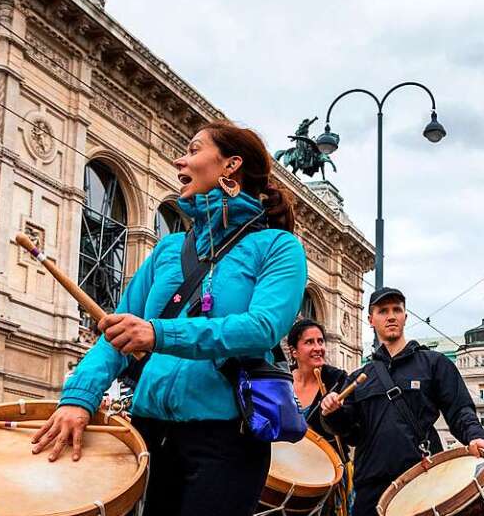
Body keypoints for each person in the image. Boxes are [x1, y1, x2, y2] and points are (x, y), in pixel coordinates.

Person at [32, 121, 308, 516]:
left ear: (231, 165)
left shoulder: (279, 247)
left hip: (226, 439)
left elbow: (261, 328)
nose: (180, 159)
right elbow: (117, 333)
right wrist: (78, 399)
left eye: (194, 150)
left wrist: (157, 333)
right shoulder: (169, 249)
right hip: (148, 431)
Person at [320, 287, 484, 516]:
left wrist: (475, 435)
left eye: (396, 310)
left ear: (405, 316)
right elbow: (351, 433)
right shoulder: (359, 377)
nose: (390, 316)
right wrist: (332, 411)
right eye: (383, 311)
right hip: (371, 487)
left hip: (423, 479)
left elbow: (459, 410)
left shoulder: (433, 363)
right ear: (371, 319)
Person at [287, 318, 351, 514]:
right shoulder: (281, 381)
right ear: (294, 351)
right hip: (285, 474)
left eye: (320, 341)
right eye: (309, 342)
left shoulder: (338, 380)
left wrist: (336, 412)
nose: (318, 347)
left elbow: (349, 429)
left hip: (324, 480)